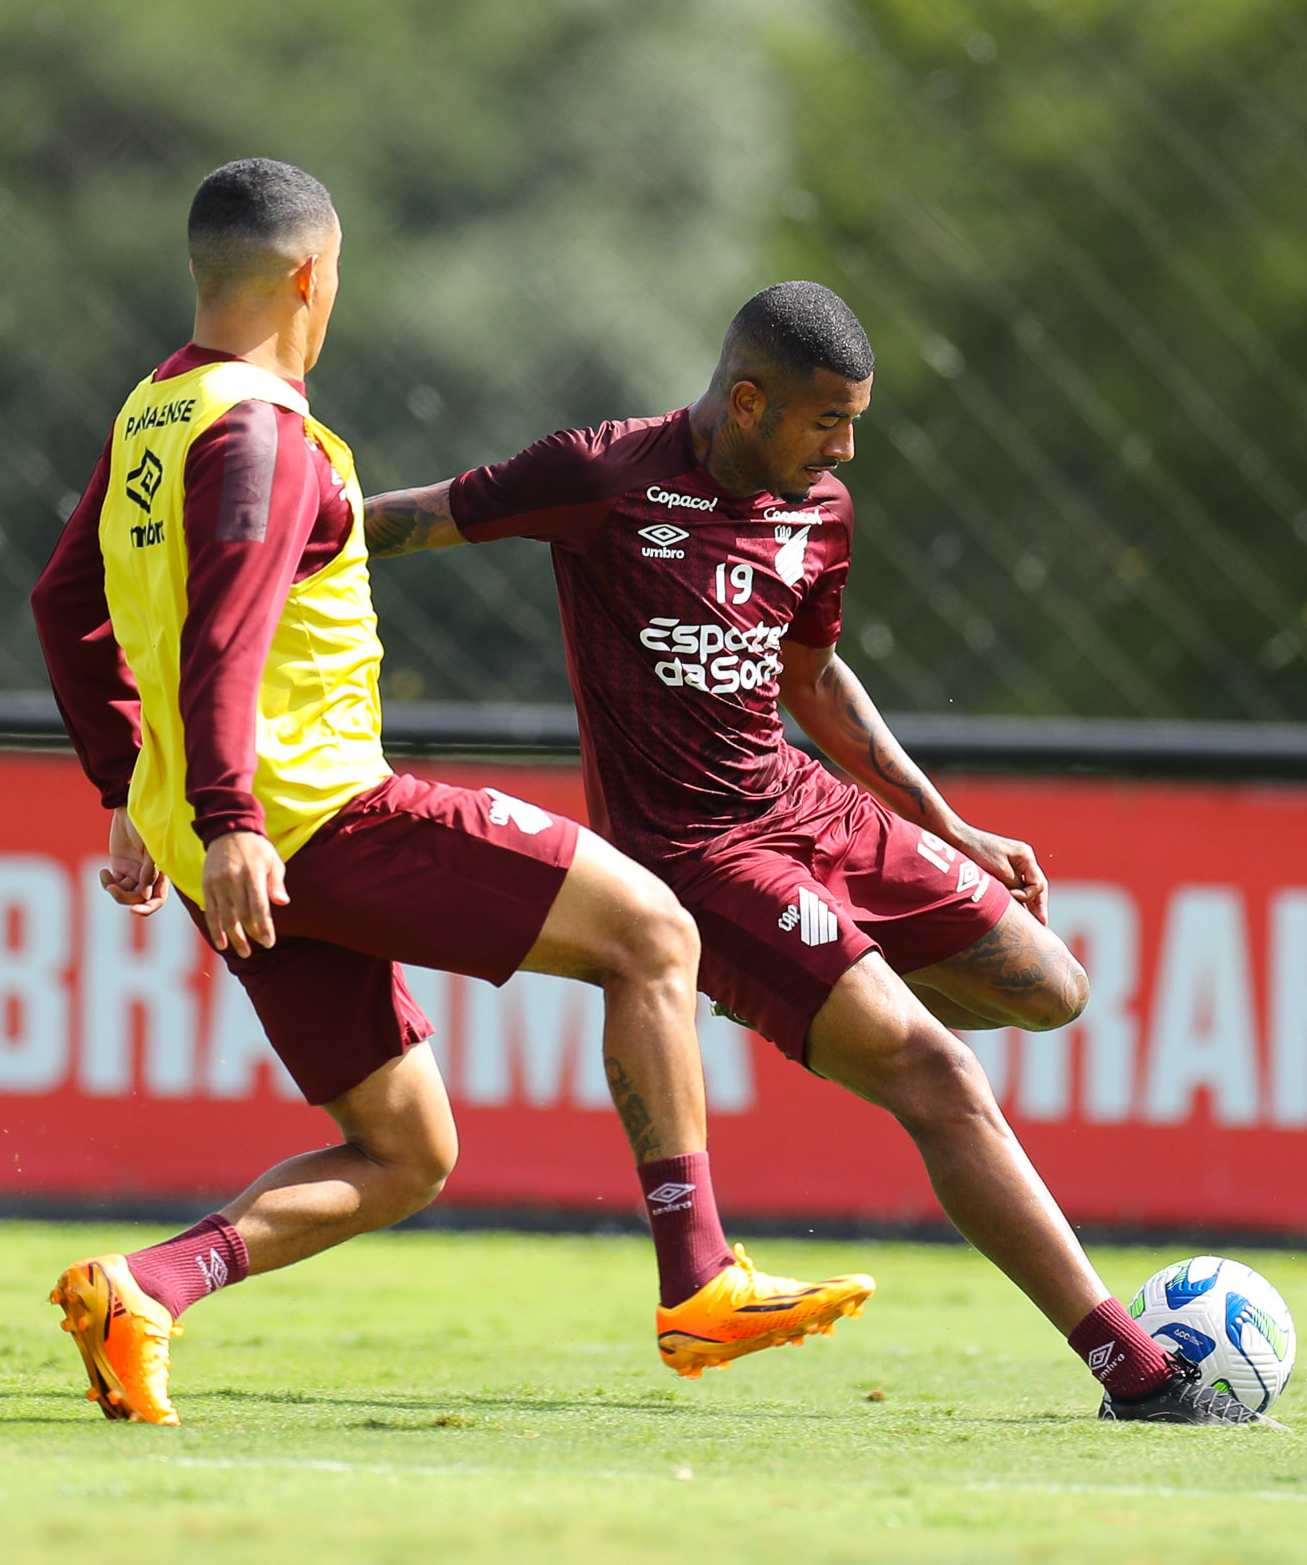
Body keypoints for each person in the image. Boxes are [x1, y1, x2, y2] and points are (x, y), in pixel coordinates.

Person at [27, 164, 868, 1426]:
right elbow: (226, 630)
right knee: (656, 933)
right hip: (309, 820)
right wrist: (227, 811)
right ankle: (701, 1280)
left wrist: (132, 783)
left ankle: (144, 1287)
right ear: (314, 276)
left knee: (409, 1153)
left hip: (229, 847)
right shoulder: (263, 426)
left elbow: (65, 605)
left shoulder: (154, 417)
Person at [361, 281, 1260, 1425]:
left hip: (807, 806)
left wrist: (950, 827)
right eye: (828, 421)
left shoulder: (819, 508)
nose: (844, 448)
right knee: (938, 1076)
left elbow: (813, 677)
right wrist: (256, 544)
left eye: (856, 424)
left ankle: (772, 989)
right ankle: (1134, 1367)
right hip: (695, 853)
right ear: (747, 402)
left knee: (1051, 988)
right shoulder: (601, 477)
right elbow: (406, 518)